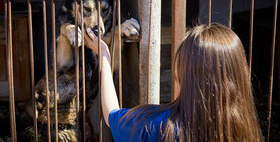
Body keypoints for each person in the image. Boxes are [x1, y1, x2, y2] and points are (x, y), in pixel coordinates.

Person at [84, 23, 263, 142]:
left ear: (182, 73)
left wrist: (104, 56)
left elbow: (111, 116)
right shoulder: (247, 131)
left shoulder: (155, 125)